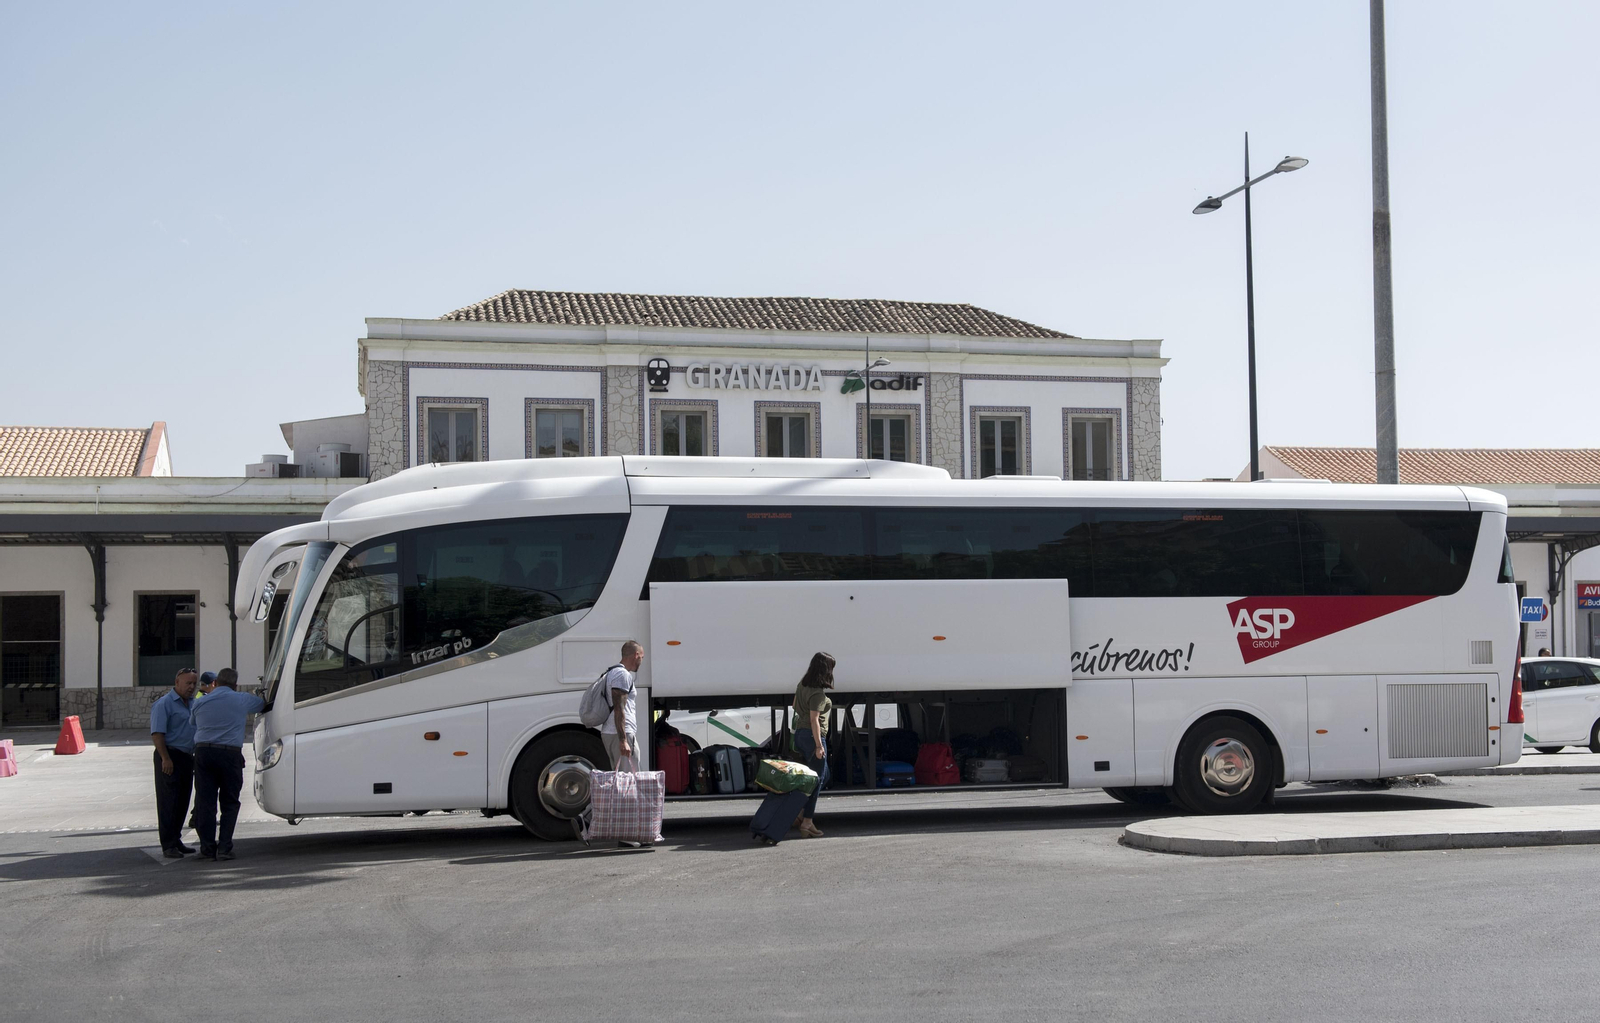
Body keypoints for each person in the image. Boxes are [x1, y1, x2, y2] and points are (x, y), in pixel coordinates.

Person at [189, 667, 264, 860]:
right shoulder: (241, 698)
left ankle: (206, 847)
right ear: (235, 685)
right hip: (229, 754)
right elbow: (261, 704)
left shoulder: (200, 702)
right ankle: (224, 848)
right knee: (230, 802)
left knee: (205, 801)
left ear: (215, 683)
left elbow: (192, 723)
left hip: (204, 752)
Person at [150, 668, 199, 858]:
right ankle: (168, 844)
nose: (192, 687)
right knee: (168, 801)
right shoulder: (164, 704)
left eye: (194, 683)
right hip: (170, 755)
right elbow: (157, 734)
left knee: (182, 800)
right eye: (188, 683)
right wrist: (165, 758)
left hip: (187, 756)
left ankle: (176, 838)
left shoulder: (194, 704)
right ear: (177, 683)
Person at [791, 652, 835, 838]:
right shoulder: (817, 693)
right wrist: (819, 746)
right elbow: (814, 720)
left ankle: (801, 813)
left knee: (821, 777)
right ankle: (807, 821)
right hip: (813, 736)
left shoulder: (802, 685)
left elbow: (794, 705)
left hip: (800, 734)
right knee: (817, 780)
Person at [601, 640, 644, 769]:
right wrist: (623, 740)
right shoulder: (622, 675)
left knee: (621, 780)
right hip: (620, 733)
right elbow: (619, 709)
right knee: (629, 779)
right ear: (636, 655)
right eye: (642, 657)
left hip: (611, 733)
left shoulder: (613, 672)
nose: (641, 661)